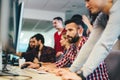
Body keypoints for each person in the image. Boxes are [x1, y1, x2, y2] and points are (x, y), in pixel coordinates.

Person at [58, 0, 120, 80]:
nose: (86, 5)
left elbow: (104, 44)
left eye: (88, 0)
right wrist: (71, 71)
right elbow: (90, 44)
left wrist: (81, 75)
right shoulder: (101, 18)